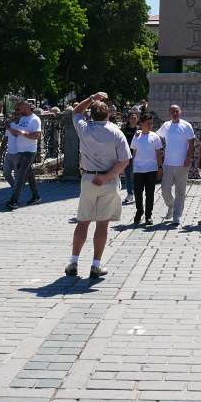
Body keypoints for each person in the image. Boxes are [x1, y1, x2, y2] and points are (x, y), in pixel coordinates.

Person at [65, 92, 130, 279]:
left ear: (91, 114)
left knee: (82, 222)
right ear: (108, 113)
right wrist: (107, 176)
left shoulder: (84, 128)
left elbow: (76, 111)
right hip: (107, 182)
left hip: (87, 179)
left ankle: (73, 262)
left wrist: (93, 97)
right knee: (102, 224)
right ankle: (96, 265)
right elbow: (124, 161)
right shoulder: (116, 132)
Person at [158, 104, 195, 225]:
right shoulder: (166, 125)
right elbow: (156, 137)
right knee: (165, 190)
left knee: (180, 191)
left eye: (176, 111)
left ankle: (177, 215)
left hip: (182, 164)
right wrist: (141, 132)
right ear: (169, 113)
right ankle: (171, 205)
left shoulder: (186, 126)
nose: (174, 113)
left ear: (180, 112)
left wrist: (188, 158)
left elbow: (191, 143)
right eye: (172, 111)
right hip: (168, 164)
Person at [5, 101, 41, 210]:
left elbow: (37, 136)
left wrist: (24, 134)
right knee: (29, 174)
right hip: (20, 151)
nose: (18, 110)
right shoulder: (22, 118)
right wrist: (10, 128)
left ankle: (14, 201)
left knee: (20, 175)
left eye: (20, 108)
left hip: (29, 152)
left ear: (26, 107)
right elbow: (16, 132)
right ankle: (36, 196)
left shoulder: (35, 119)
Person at [130, 114, 163, 225]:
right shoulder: (136, 136)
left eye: (151, 123)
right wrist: (132, 168)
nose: (150, 125)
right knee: (138, 193)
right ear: (141, 124)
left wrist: (159, 167)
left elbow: (159, 153)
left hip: (151, 169)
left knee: (150, 193)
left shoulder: (155, 136)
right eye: (148, 123)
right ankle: (139, 212)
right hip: (138, 170)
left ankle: (148, 215)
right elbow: (133, 152)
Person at [1, 102, 22, 188]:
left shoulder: (23, 125)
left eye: (18, 114)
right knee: (6, 173)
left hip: (19, 153)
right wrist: (1, 151)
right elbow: (5, 139)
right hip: (9, 153)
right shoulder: (10, 125)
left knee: (17, 175)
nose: (16, 116)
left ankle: (16, 191)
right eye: (14, 114)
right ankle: (15, 187)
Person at [121, 111, 139, 205]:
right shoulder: (124, 129)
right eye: (131, 118)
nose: (133, 119)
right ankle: (129, 194)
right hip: (127, 155)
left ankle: (137, 194)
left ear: (137, 120)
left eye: (135, 118)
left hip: (138, 155)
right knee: (128, 175)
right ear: (128, 119)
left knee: (137, 176)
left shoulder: (139, 130)